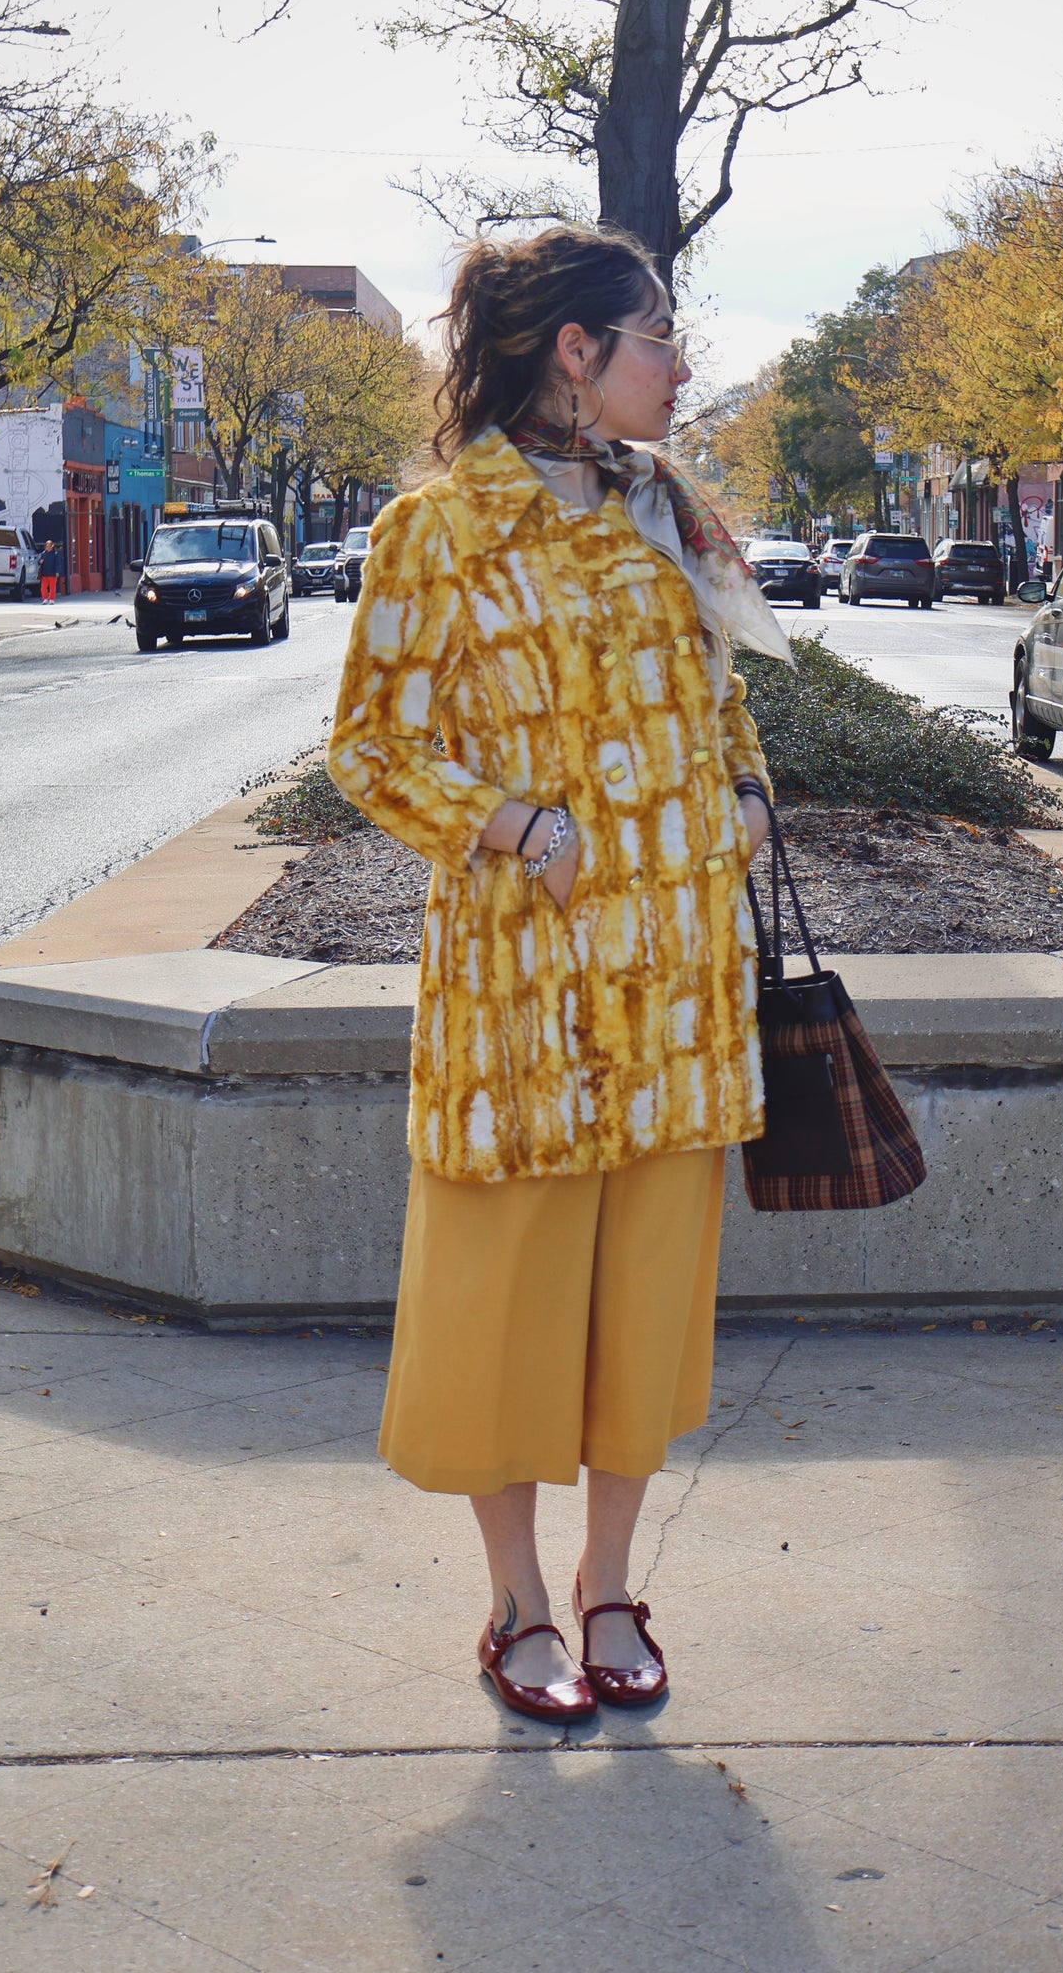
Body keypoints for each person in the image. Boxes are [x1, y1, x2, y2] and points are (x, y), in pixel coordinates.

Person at [327, 225, 789, 1725]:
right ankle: (517, 1603)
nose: (679, 360)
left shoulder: (674, 509)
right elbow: (370, 749)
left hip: (675, 991)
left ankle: (609, 1585)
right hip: (524, 994)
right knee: (507, 1315)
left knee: (644, 1312)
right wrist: (513, 822)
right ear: (574, 352)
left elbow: (721, 702)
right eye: (654, 333)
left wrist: (745, 794)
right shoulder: (440, 529)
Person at [37, 537, 60, 602]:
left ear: (52, 546)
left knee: (52, 588)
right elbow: (39, 562)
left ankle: (51, 599)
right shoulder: (43, 553)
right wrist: (40, 561)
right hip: (44, 573)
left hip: (52, 573)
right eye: (46, 546)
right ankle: (45, 598)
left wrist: (57, 571)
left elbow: (57, 563)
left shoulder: (55, 554)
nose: (47, 547)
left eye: (49, 546)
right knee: (43, 588)